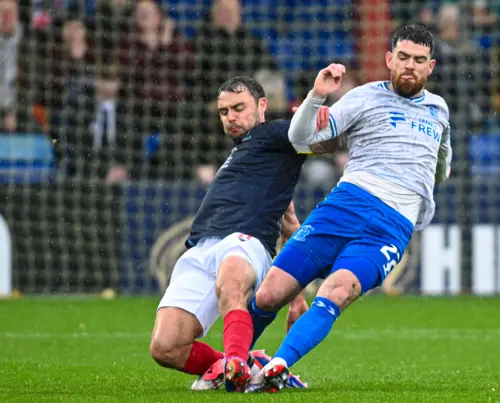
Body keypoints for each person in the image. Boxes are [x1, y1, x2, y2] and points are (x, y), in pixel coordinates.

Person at [245, 24, 452, 393]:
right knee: (268, 294)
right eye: (402, 57)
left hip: (390, 227)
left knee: (337, 291)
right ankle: (230, 364)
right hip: (345, 205)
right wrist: (316, 98)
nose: (410, 66)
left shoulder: (439, 111)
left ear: (430, 66)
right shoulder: (363, 97)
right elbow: (300, 139)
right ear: (389, 59)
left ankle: (277, 366)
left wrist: (428, 176)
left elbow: (442, 164)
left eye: (419, 61)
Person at [149, 76, 340, 392]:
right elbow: (290, 224)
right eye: (224, 111)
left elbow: (320, 139)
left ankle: (234, 366)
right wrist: (295, 298)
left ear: (261, 106)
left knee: (233, 281)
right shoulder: (249, 158)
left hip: (245, 241)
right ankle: (245, 367)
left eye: (239, 108)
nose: (231, 117)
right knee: (165, 347)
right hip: (200, 249)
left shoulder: (278, 134)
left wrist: (320, 105)